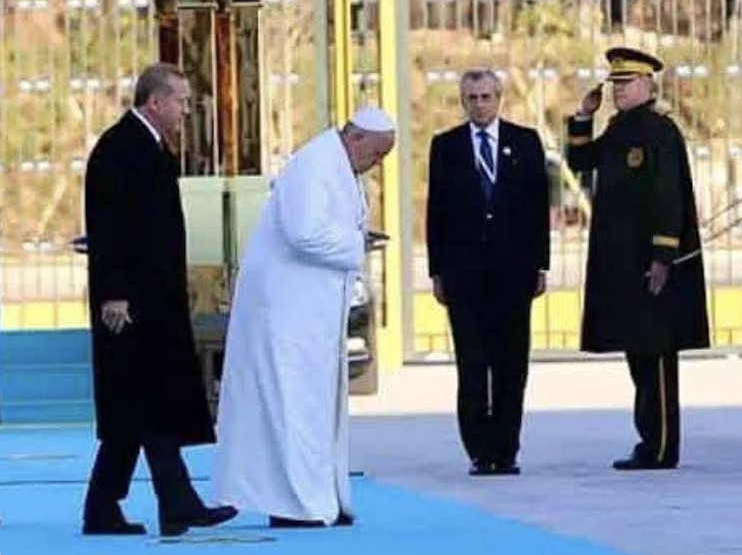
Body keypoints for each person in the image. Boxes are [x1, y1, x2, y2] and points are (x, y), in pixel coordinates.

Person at [213, 106, 396, 527]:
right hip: (286, 311)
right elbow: (304, 233)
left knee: (312, 406)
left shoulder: (338, 164)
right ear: (356, 139)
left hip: (308, 312)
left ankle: (318, 497)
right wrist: (356, 244)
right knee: (291, 405)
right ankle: (294, 504)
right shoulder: (314, 165)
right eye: (376, 154)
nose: (376, 164)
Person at [83, 63, 237, 537]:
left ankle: (103, 508)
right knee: (148, 401)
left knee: (135, 407)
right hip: (129, 304)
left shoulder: (148, 147)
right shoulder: (118, 149)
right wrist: (113, 293)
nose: (187, 111)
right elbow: (108, 227)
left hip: (154, 299)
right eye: (182, 102)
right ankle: (178, 503)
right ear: (156, 101)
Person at [567, 47, 709, 470]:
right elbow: (581, 161)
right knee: (638, 352)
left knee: (657, 354)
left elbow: (669, 197)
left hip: (651, 262)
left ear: (648, 85)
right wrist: (582, 116)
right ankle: (648, 440)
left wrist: (664, 255)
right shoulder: (620, 128)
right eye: (615, 84)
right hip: (623, 261)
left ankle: (662, 445)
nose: (618, 91)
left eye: (626, 84)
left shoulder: (659, 131)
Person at [426, 69, 550, 476]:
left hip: (513, 273)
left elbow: (538, 208)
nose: (479, 104)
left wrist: (540, 265)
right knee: (473, 364)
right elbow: (436, 213)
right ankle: (480, 449)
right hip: (465, 277)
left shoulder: (525, 142)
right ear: (463, 102)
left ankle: (506, 448)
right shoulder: (446, 147)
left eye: (486, 97)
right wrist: (438, 271)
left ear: (499, 98)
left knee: (511, 364)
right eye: (472, 98)